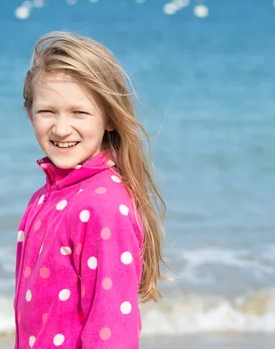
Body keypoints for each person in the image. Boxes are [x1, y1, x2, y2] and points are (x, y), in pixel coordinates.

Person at [14, 31, 166, 348]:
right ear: (30, 115)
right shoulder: (45, 197)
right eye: (47, 112)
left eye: (79, 112)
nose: (61, 128)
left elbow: (112, 331)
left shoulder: (104, 207)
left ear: (109, 118)